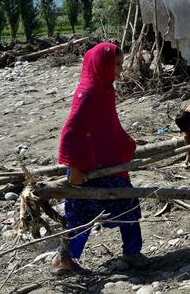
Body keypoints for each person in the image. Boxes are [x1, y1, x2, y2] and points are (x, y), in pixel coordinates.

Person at [51, 43, 149, 276]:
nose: (120, 71)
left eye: (121, 65)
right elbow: (72, 132)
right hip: (87, 170)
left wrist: (123, 144)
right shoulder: (88, 93)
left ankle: (132, 252)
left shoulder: (104, 89)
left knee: (128, 205)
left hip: (107, 165)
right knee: (81, 217)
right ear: (102, 64)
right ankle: (63, 259)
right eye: (116, 65)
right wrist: (73, 168)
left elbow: (106, 127)